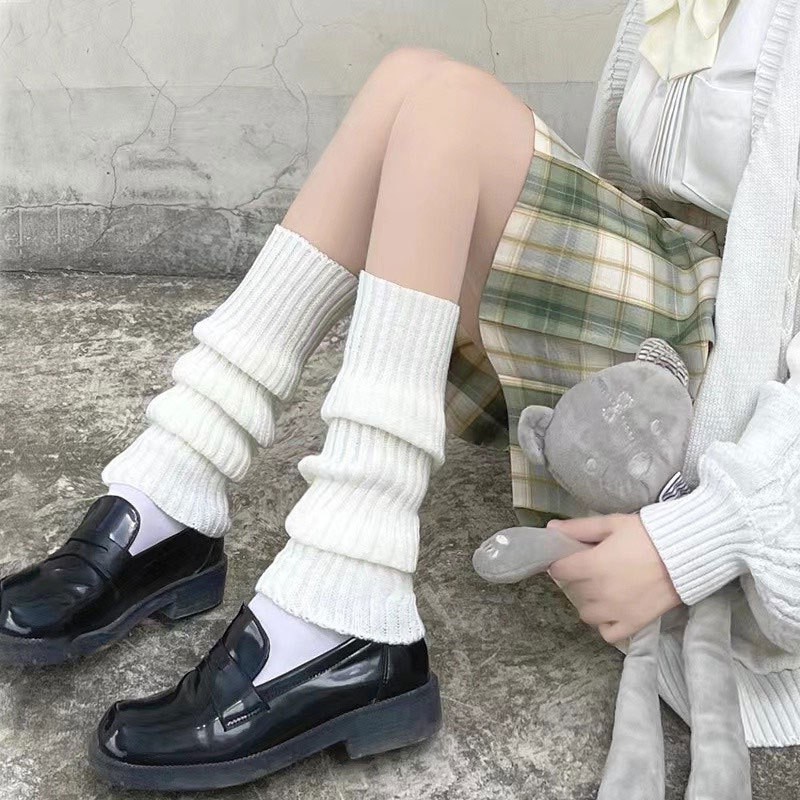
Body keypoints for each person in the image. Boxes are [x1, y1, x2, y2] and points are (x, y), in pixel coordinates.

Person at [2, 0, 799, 791]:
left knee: (452, 113)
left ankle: (347, 595)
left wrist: (704, 535)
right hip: (659, 338)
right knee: (408, 79)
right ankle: (179, 476)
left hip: (713, 406)